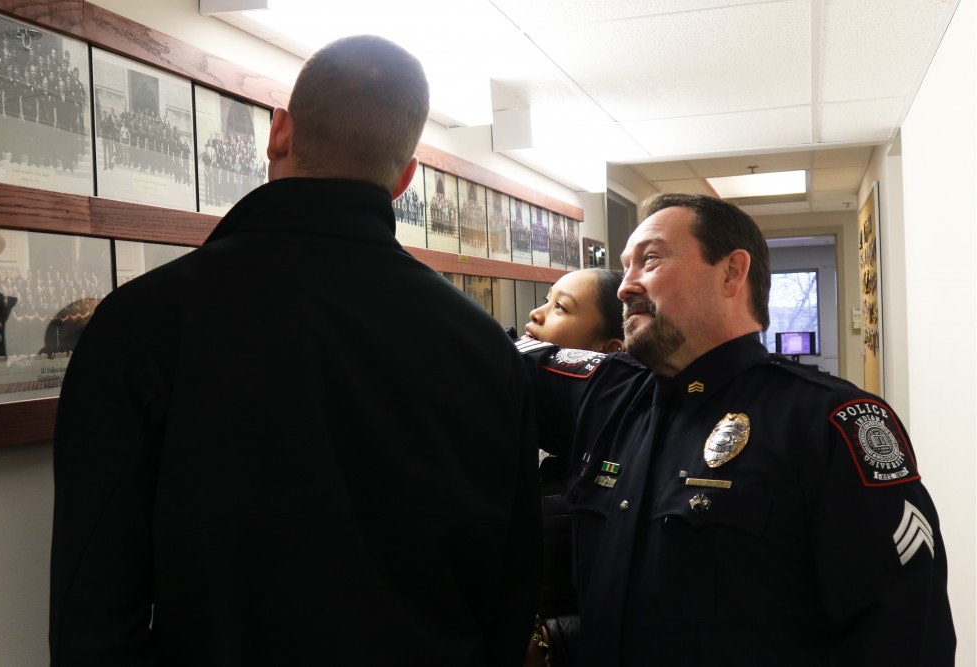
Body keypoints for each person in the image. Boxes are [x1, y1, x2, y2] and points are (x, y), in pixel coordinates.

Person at [50, 35, 541, 666]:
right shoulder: (483, 345)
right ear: (406, 175)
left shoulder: (146, 321)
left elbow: (93, 608)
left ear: (279, 132)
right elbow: (510, 582)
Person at [519, 193, 955, 666]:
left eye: (650, 259)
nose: (626, 286)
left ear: (731, 273)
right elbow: (487, 353)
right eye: (625, 267)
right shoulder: (609, 393)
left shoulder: (829, 422)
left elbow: (906, 637)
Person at [513, 269, 624, 665]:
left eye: (560, 307)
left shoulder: (619, 463)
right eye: (546, 299)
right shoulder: (558, 444)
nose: (537, 313)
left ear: (607, 351)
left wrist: (548, 642)